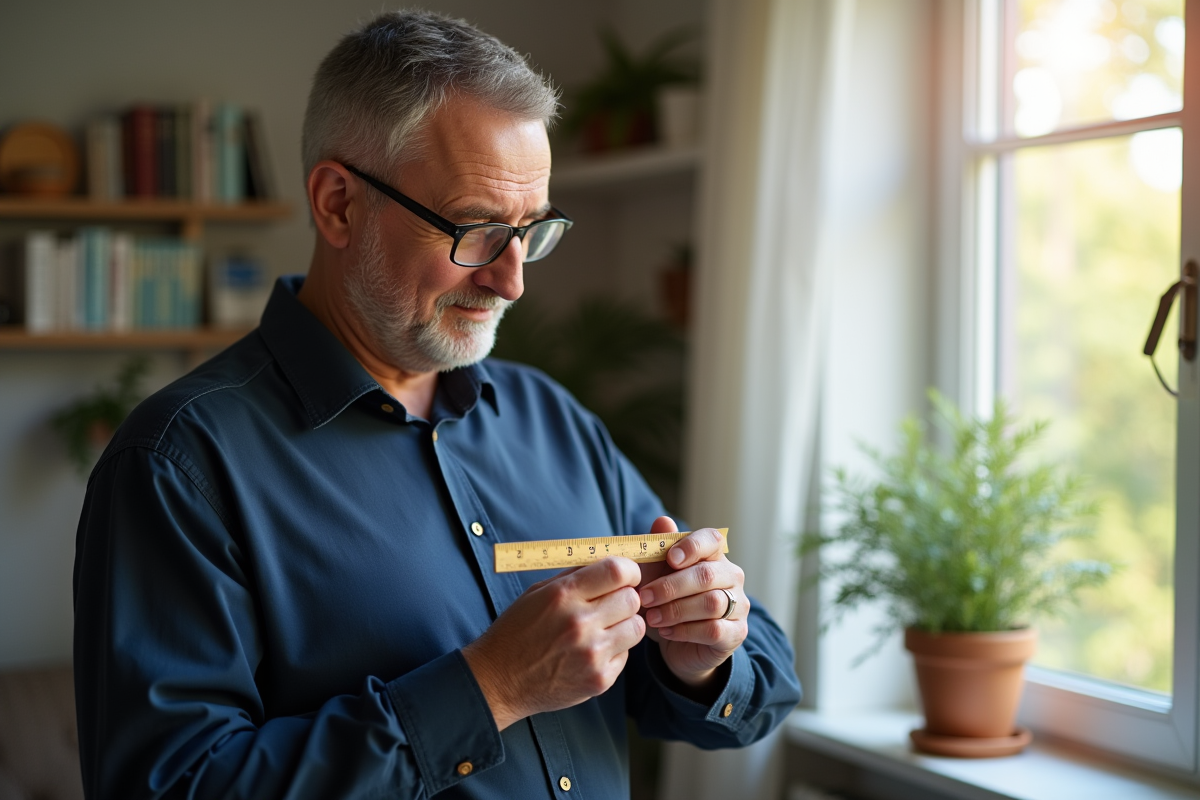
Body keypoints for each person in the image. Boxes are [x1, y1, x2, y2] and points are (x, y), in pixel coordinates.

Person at [72, 10, 801, 799]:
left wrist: (701, 658)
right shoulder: (179, 465)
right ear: (339, 205)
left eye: (532, 231)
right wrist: (489, 689)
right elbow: (174, 786)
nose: (512, 279)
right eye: (478, 230)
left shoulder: (551, 419)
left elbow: (762, 678)